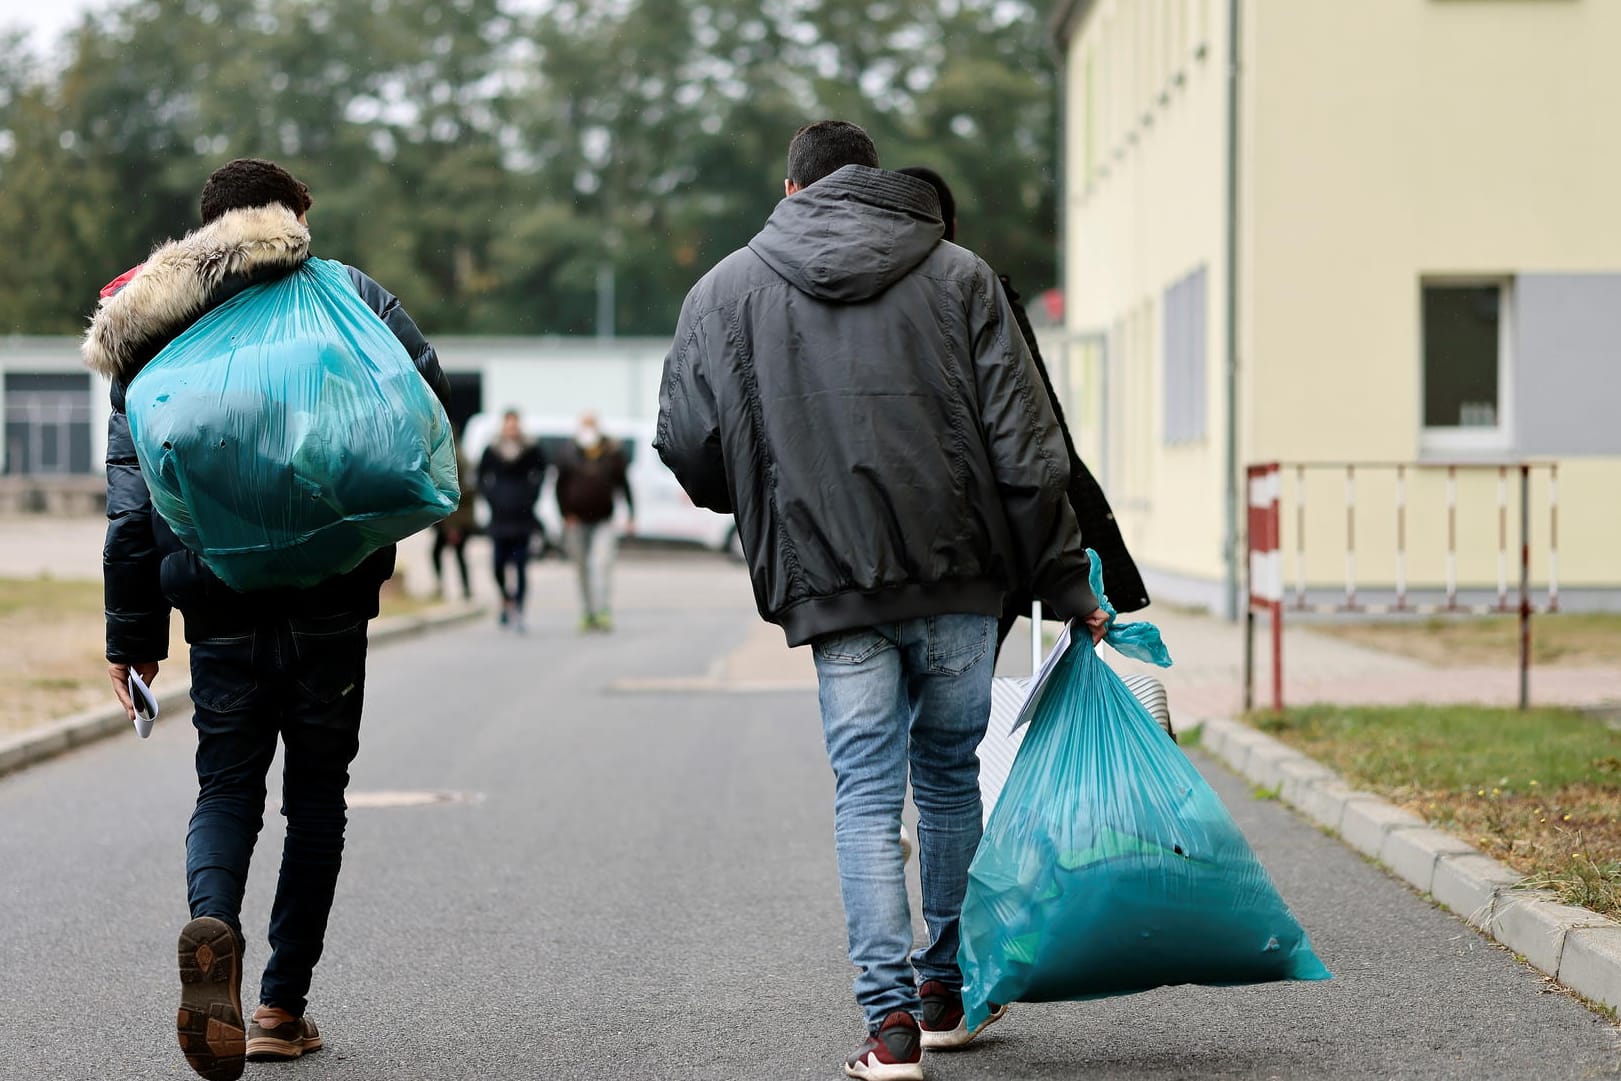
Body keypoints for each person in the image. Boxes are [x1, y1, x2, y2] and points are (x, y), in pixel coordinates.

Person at [656, 121, 1108, 1081]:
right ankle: (945, 989)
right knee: (947, 775)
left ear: (792, 190)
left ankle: (890, 1028)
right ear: (879, 182)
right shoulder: (960, 276)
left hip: (829, 580)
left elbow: (688, 441)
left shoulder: (726, 288)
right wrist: (1067, 578)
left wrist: (771, 488)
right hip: (960, 572)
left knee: (866, 797)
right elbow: (1029, 450)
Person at [82, 158, 450, 1081]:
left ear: (204, 232)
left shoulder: (154, 324)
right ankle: (282, 1008)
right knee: (317, 799)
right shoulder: (350, 296)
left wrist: (133, 636)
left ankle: (215, 929)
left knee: (225, 787)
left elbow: (133, 504)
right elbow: (422, 406)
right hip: (332, 592)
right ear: (295, 217)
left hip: (216, 596)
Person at [896, 165, 1149, 649]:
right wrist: (1071, 578)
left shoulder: (879, 309)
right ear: (949, 228)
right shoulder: (983, 297)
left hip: (902, 555)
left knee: (914, 714)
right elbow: (1036, 435)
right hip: (987, 547)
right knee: (951, 715)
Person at [553, 411, 635, 632]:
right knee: (581, 568)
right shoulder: (568, 453)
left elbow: (624, 484)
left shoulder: (611, 454)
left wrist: (631, 514)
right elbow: (559, 487)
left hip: (603, 520)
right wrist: (564, 514)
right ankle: (587, 611)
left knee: (602, 564)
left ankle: (603, 609)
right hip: (576, 521)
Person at [476, 410, 545, 631]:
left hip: (522, 516)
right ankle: (505, 599)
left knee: (522, 565)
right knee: (497, 565)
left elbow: (542, 471)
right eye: (508, 424)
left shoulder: (530, 449)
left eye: (515, 425)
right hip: (499, 516)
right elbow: (480, 476)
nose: (511, 428)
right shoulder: (492, 449)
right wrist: (491, 495)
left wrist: (531, 495)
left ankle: (519, 607)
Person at [431, 434, 476, 601]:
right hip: (457, 519)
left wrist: (452, 527)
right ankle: (464, 588)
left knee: (451, 552)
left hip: (454, 520)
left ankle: (452, 586)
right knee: (456, 554)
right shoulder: (460, 454)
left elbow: (455, 494)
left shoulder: (451, 458)